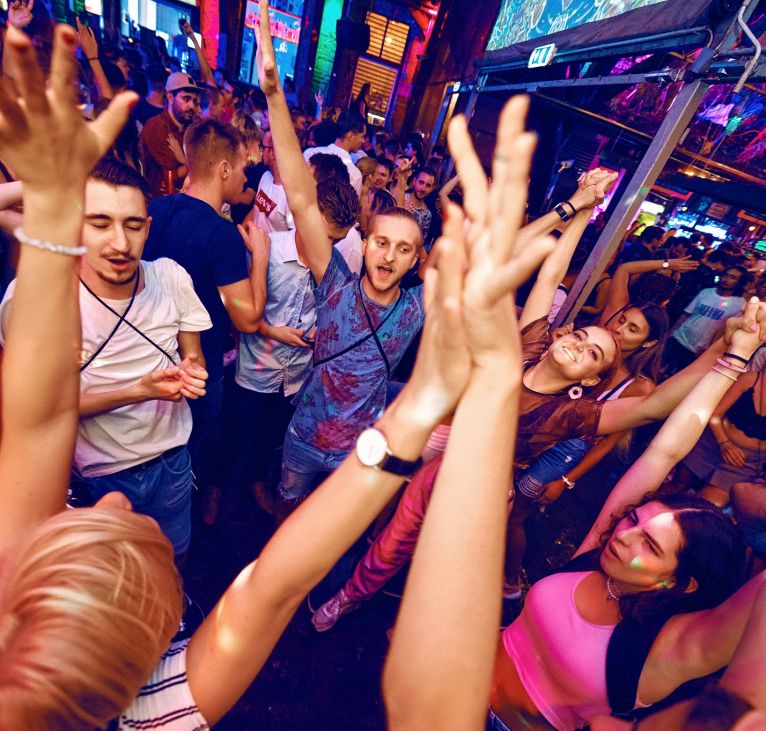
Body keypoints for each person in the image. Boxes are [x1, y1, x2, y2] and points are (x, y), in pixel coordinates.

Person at [0, 16, 553, 728]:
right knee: (288, 517)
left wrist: (53, 219)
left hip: (356, 442)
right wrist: (447, 396)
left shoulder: (21, 641)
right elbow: (275, 584)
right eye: (128, 536)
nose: (110, 503)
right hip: (325, 440)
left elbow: (38, 417)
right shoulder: (166, 710)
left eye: (86, 525)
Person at [1, 157, 211, 560]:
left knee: (170, 560)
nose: (120, 243)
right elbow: (37, 413)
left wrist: (191, 373)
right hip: (95, 478)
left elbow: (194, 357)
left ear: (148, 228)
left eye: (133, 225)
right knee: (109, 576)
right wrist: (138, 391)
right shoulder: (39, 299)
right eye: (100, 224)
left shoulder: (170, 277)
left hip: (171, 463)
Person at [258, 26, 428, 504]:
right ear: (364, 243)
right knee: (287, 505)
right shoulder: (334, 282)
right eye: (381, 242)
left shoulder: (415, 308)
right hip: (302, 436)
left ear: (416, 260)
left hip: (356, 452)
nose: (388, 255)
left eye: (403, 249)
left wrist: (569, 211)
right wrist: (274, 96)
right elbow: (301, 197)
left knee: (329, 525)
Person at [142, 119, 269, 521]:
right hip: (197, 371)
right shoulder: (220, 235)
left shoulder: (152, 210)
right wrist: (260, 258)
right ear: (224, 169)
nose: (247, 175)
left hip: (147, 364)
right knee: (187, 458)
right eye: (243, 166)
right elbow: (247, 319)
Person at [227, 178, 360, 519]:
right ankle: (217, 490)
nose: (329, 247)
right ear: (306, 219)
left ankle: (258, 484)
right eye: (326, 237)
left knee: (271, 436)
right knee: (236, 435)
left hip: (297, 376)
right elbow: (234, 310)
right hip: (256, 369)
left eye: (337, 240)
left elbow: (336, 316)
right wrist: (272, 331)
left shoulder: (336, 267)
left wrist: (323, 329)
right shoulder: (266, 250)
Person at [675, 368, 766, 507]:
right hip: (713, 442)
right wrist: (725, 443)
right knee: (676, 485)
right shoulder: (749, 379)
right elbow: (714, 414)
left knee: (703, 508)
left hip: (743, 464)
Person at [665, 265, 748, 373]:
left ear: (739, 282)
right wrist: (671, 333)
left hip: (698, 349)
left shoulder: (739, 304)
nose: (726, 279)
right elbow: (687, 314)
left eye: (733, 277)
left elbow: (724, 331)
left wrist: (710, 350)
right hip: (679, 337)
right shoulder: (706, 292)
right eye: (725, 275)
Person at [139, 72, 203, 197]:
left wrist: (186, 162)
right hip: (158, 203)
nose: (192, 106)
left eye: (194, 101)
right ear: (170, 98)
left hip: (182, 199)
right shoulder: (157, 127)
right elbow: (169, 177)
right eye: (186, 99)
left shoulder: (191, 128)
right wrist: (193, 163)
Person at [303, 109, 366, 195]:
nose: (363, 141)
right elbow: (349, 203)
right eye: (362, 136)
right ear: (350, 136)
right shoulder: (354, 174)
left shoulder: (310, 152)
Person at [254, 130, 293, 232]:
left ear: (273, 154)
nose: (261, 151)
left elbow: (294, 236)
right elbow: (256, 210)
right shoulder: (265, 176)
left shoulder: (290, 196)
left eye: (263, 147)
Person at [394, 162, 436, 242]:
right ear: (414, 181)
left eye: (428, 185)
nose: (423, 188)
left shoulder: (427, 214)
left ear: (432, 189)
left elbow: (420, 241)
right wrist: (401, 175)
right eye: (421, 182)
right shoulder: (401, 197)